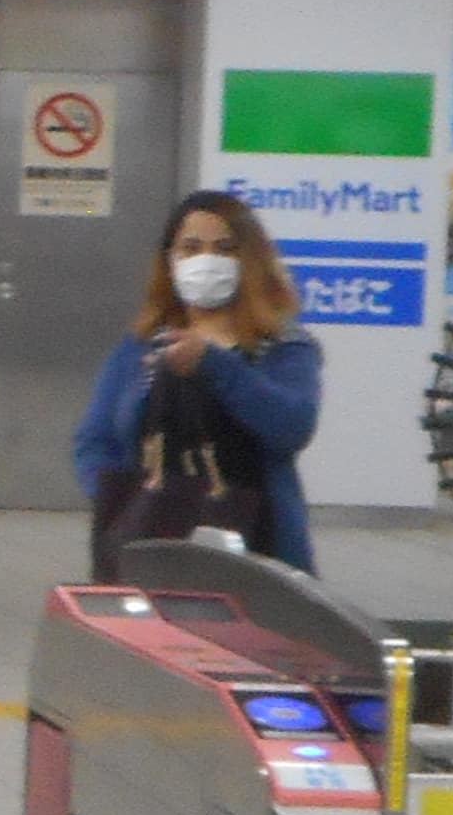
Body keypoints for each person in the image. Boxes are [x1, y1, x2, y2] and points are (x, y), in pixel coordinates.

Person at [72, 190, 327, 576]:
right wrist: (120, 500)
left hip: (260, 552)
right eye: (190, 247)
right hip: (151, 548)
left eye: (224, 248)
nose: (206, 260)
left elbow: (291, 426)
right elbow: (95, 439)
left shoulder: (282, 347)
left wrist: (214, 365)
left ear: (250, 260)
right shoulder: (141, 346)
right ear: (170, 260)